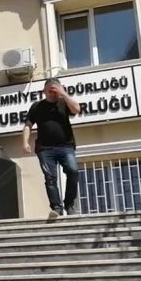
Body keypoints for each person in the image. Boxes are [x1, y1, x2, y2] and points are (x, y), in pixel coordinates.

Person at [23, 78, 82, 217]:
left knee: (73, 171)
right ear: (44, 91)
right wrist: (25, 142)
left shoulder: (64, 103)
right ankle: (57, 207)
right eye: (50, 90)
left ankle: (69, 204)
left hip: (66, 146)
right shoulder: (37, 106)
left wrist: (64, 94)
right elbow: (28, 125)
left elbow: (77, 109)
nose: (53, 93)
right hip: (45, 149)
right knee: (50, 178)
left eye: (56, 90)